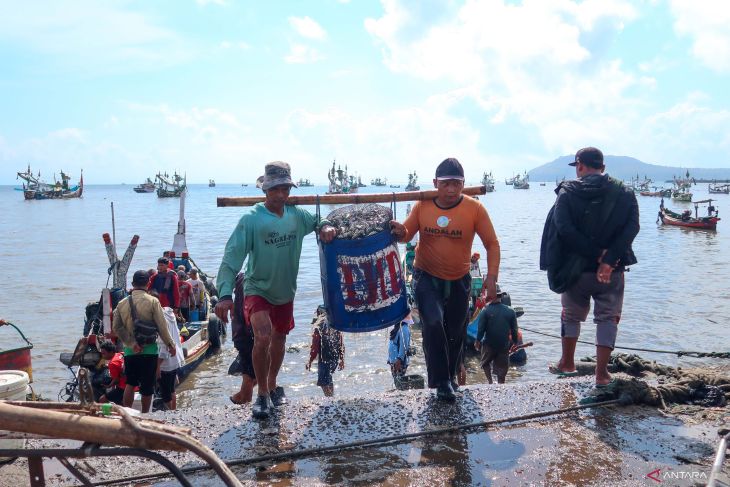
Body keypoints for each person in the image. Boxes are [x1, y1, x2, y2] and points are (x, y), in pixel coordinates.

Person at [215, 161, 336, 419]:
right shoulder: (251, 219)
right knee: (262, 336)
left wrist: (325, 227)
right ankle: (260, 397)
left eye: (285, 189)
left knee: (279, 339)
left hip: (285, 291)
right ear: (265, 190)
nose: (281, 195)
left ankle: (270, 383)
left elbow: (319, 220)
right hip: (257, 287)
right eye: (275, 189)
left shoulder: (297, 216)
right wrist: (224, 294)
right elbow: (231, 258)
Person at [390, 157, 501, 401]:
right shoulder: (423, 205)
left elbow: (492, 244)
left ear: (463, 183)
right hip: (426, 277)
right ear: (435, 183)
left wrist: (491, 278)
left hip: (459, 279)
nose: (451, 189)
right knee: (432, 324)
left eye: (456, 183)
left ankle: (449, 378)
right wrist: (399, 232)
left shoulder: (475, 209)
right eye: (446, 184)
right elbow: (406, 233)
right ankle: (440, 382)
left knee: (455, 333)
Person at [540, 147, 639, 387]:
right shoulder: (624, 192)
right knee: (608, 317)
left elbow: (563, 228)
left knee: (571, 316)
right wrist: (608, 259)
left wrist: (595, 254)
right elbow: (632, 228)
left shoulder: (568, 192)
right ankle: (602, 374)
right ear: (603, 168)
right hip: (612, 270)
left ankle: (567, 363)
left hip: (575, 270)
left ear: (580, 165)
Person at [113, 270, 176, 413]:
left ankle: (128, 412)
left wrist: (131, 344)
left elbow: (116, 327)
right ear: (148, 283)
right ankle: (146, 414)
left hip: (130, 351)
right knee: (147, 387)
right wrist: (170, 345)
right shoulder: (153, 301)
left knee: (130, 383)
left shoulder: (121, 303)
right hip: (150, 350)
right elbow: (162, 326)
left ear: (132, 284)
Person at [474, 285, 518, 384]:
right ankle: (501, 383)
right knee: (502, 367)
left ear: (489, 297)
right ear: (500, 296)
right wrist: (515, 342)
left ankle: (490, 381)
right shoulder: (511, 311)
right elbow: (514, 330)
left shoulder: (485, 311)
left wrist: (477, 341)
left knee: (485, 363)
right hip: (503, 344)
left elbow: (481, 330)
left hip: (489, 344)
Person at [152, 291, 184, 411]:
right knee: (172, 389)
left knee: (166, 395)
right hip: (175, 359)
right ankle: (174, 411)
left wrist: (158, 366)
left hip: (165, 361)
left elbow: (163, 344)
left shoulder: (161, 320)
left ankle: (171, 415)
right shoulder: (169, 312)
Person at [230, 272, 257, 405]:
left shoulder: (242, 280)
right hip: (246, 334)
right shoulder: (249, 281)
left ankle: (242, 396)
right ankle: (244, 399)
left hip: (242, 333)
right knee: (250, 372)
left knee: (251, 370)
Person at [305, 308, 345, 397]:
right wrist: (342, 359)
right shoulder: (335, 325)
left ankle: (329, 398)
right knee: (329, 378)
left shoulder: (318, 327)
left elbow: (314, 346)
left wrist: (310, 361)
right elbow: (341, 343)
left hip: (324, 359)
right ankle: (331, 397)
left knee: (323, 382)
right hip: (335, 358)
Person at [387, 313, 413, 388]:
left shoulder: (404, 329)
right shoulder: (398, 328)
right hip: (394, 361)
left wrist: (399, 360)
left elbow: (403, 347)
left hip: (399, 362)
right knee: (396, 380)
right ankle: (399, 389)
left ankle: (401, 390)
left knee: (399, 380)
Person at [98, 340, 126, 405]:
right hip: (132, 384)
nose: (102, 356)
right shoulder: (120, 354)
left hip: (123, 388)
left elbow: (116, 380)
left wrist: (108, 386)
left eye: (104, 353)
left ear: (111, 352)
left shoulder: (112, 363)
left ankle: (112, 410)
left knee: (102, 399)